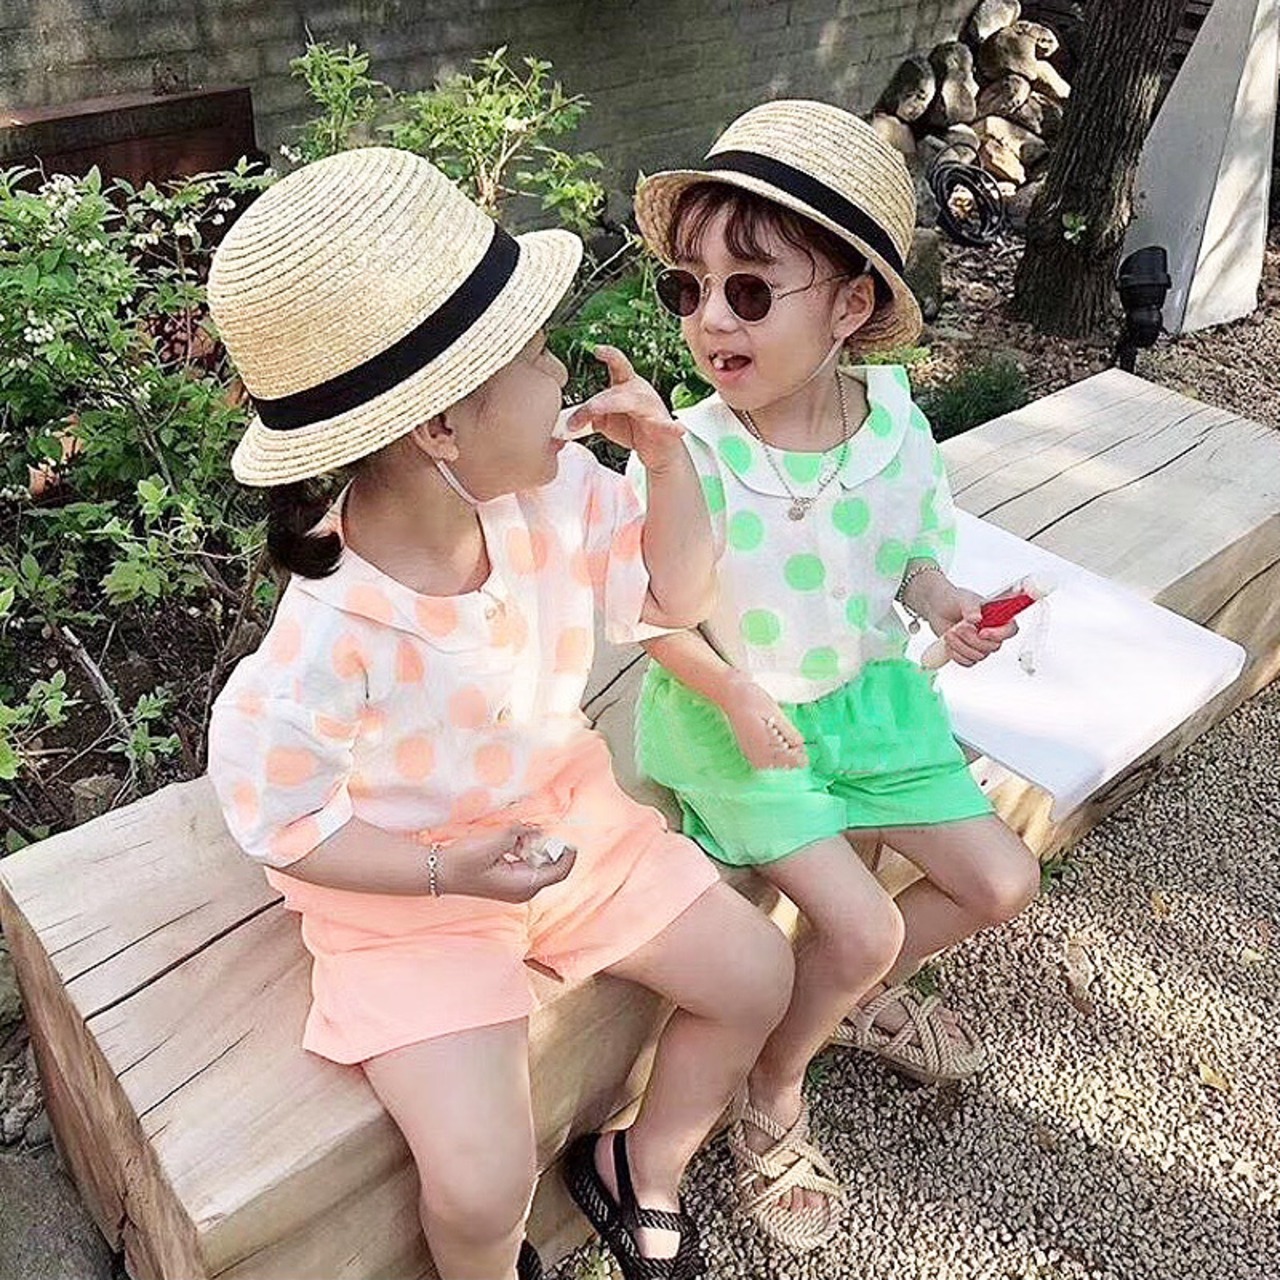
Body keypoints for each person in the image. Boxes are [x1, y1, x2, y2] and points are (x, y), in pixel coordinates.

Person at [205, 147, 794, 1280]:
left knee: (756, 975)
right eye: (530, 355)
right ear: (440, 430)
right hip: (408, 893)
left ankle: (642, 1165)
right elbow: (290, 827)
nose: (559, 367)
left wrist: (667, 463)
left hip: (564, 822)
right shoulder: (329, 634)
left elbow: (677, 598)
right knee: (481, 1181)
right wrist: (447, 872)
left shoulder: (552, 492)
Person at [629, 100, 1042, 1250]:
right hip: (734, 720)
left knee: (1001, 879)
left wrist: (945, 605)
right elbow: (654, 621)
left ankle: (835, 996)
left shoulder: (894, 424)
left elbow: (908, 554)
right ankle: (773, 1087)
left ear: (849, 305)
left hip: (866, 704)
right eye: (686, 288)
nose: (710, 318)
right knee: (859, 928)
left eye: (749, 290)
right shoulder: (691, 451)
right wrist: (735, 693)